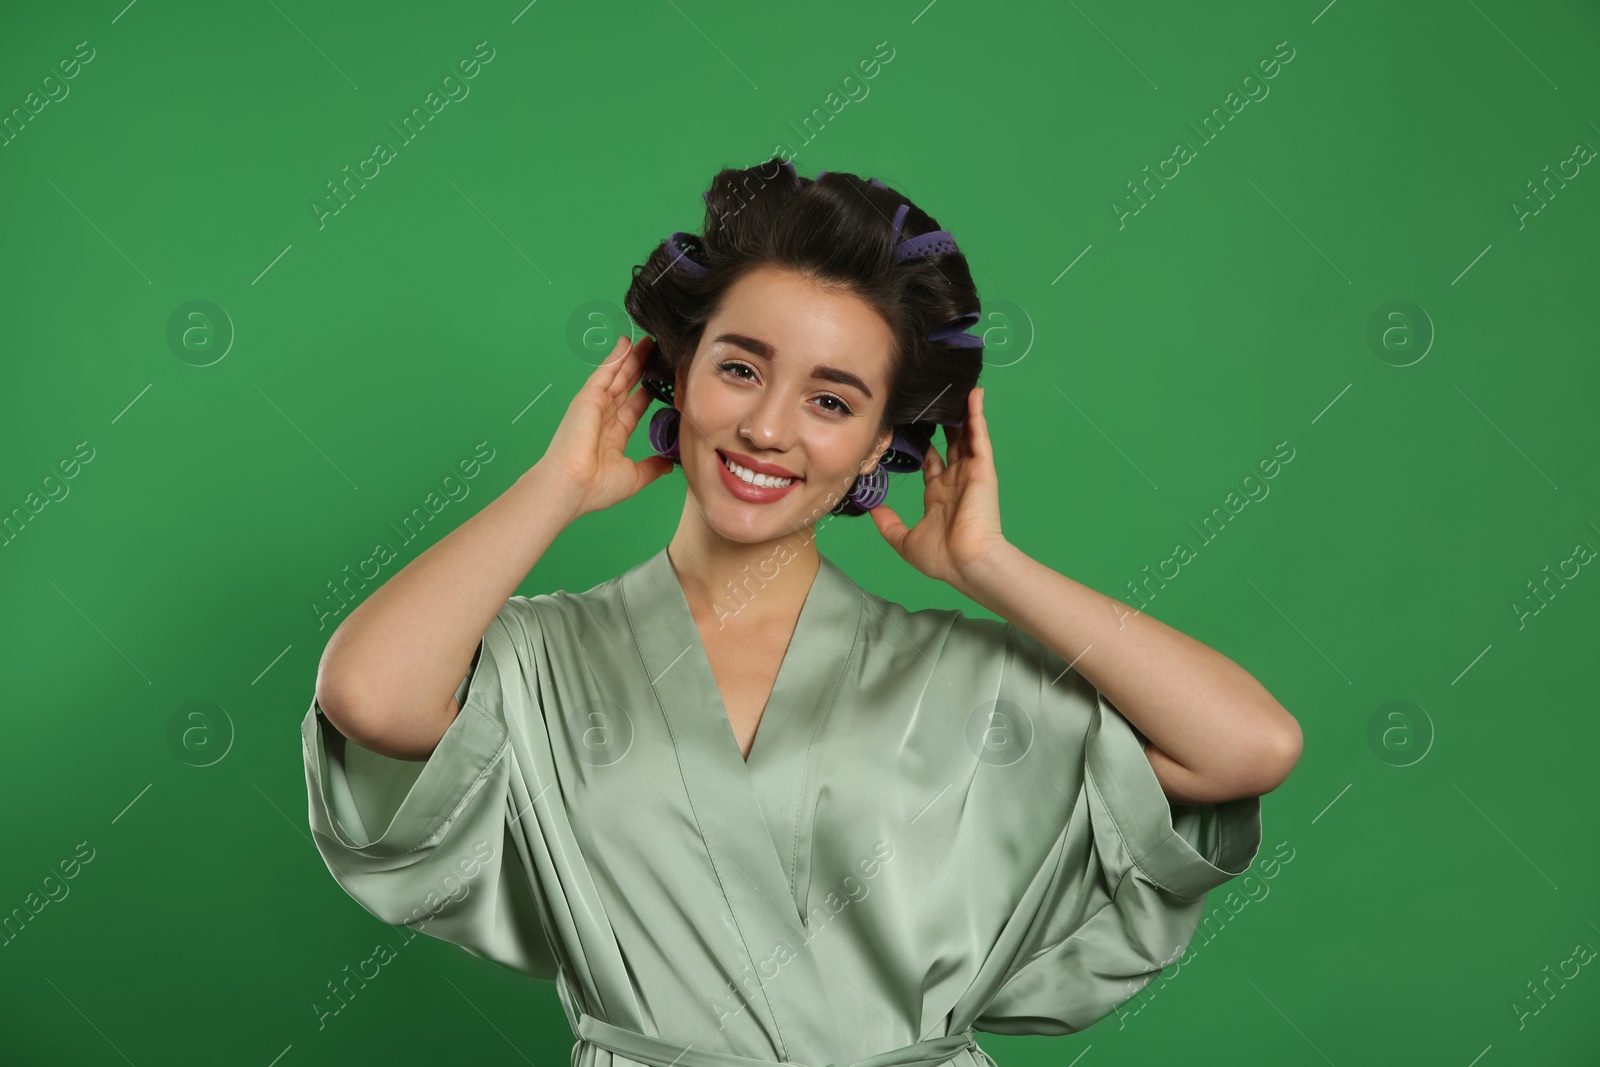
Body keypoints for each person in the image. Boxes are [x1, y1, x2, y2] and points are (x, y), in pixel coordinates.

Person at [301, 159, 1301, 1067]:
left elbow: (1247, 744)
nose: (768, 426)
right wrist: (556, 482)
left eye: (832, 400)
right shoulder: (540, 656)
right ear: (676, 374)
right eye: (739, 366)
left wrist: (989, 564)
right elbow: (368, 695)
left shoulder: (965, 675)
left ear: (877, 446)